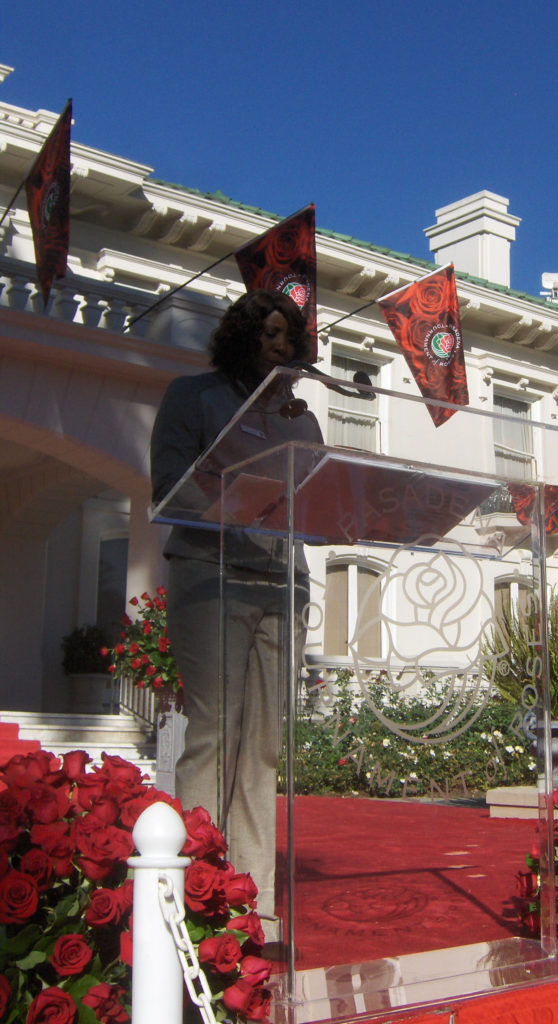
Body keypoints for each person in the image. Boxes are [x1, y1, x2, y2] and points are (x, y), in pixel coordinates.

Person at [150, 289, 322, 936]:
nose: (282, 345)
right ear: (243, 334)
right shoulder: (192, 397)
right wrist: (234, 510)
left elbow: (318, 495)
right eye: (270, 332)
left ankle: (253, 902)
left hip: (282, 584)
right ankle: (192, 890)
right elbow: (169, 479)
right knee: (215, 734)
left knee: (263, 750)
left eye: (290, 336)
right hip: (212, 574)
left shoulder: (301, 419)